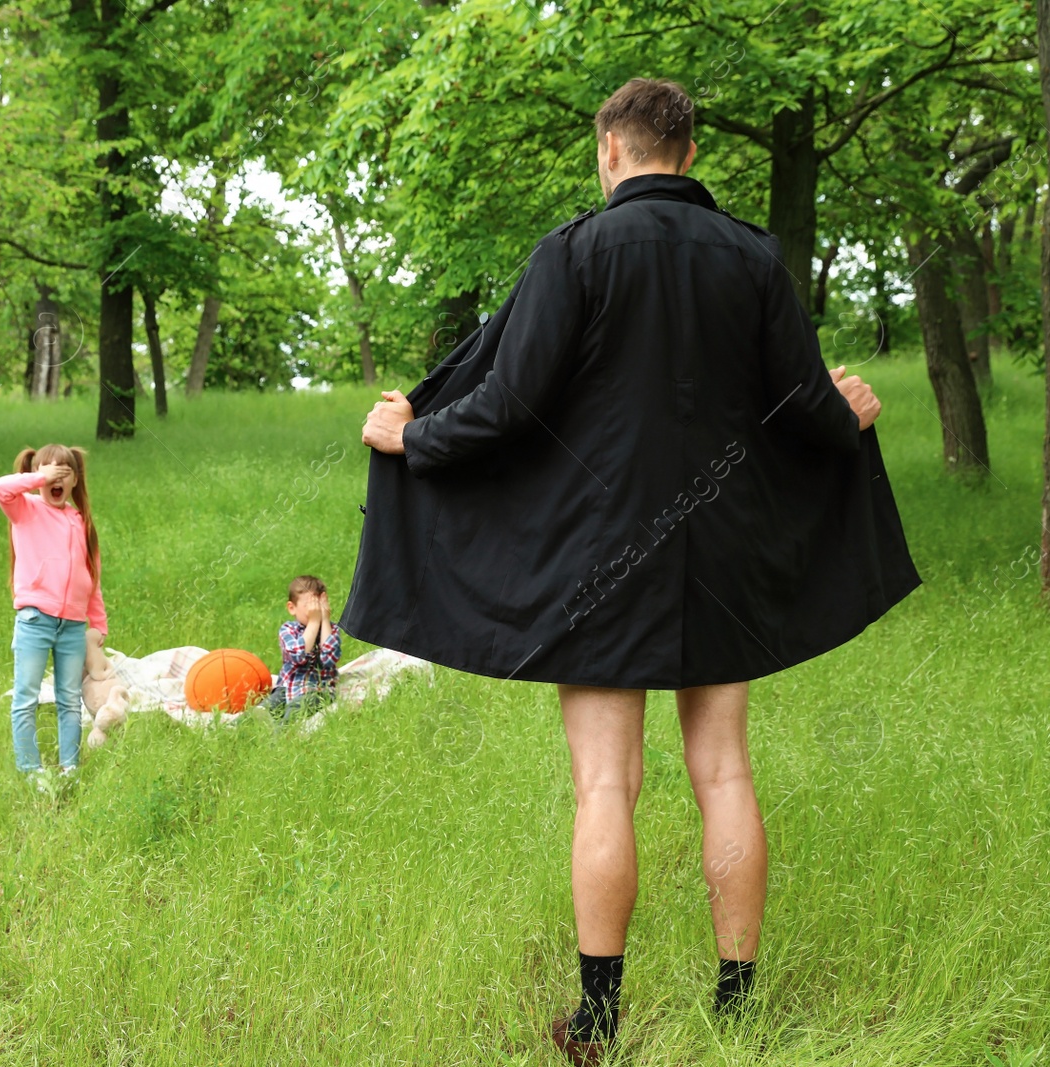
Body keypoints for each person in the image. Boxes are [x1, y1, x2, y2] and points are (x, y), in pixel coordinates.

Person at [345, 78, 920, 1064]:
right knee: (725, 770)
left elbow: (510, 404)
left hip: (599, 556)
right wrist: (849, 413)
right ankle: (737, 1005)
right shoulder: (752, 255)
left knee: (603, 784)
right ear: (687, 154)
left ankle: (599, 1019)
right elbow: (800, 406)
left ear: (609, 151)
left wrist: (412, 434)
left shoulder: (572, 251)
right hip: (726, 552)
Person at [0, 443, 108, 792]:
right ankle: (31, 770)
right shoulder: (25, 509)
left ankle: (69, 767)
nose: (56, 475)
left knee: (69, 699)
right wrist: (39, 477)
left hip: (72, 626)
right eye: (49, 469)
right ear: (37, 476)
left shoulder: (80, 521)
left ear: (74, 480)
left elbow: (93, 578)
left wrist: (97, 623)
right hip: (35, 620)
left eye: (65, 471)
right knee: (25, 697)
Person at [261, 575, 341, 722]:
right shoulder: (288, 630)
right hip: (287, 688)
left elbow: (329, 659)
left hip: (318, 691)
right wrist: (314, 621)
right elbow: (298, 656)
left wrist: (322, 621)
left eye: (318, 606)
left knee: (297, 709)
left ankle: (279, 738)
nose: (314, 611)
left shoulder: (331, 629)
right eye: (310, 607)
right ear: (292, 608)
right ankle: (234, 729)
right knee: (268, 706)